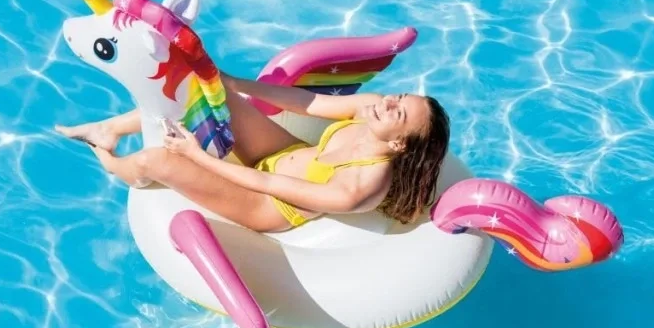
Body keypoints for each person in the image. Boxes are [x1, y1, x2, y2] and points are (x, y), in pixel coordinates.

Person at [55, 74, 450, 233]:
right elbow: (306, 103)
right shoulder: (370, 108)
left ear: (399, 144)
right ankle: (109, 128)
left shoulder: (362, 187)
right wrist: (233, 83)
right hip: (285, 153)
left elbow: (267, 183)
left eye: (398, 112)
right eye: (400, 96)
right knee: (205, 92)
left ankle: (111, 161)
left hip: (267, 205)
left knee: (155, 161)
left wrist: (195, 155)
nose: (389, 102)